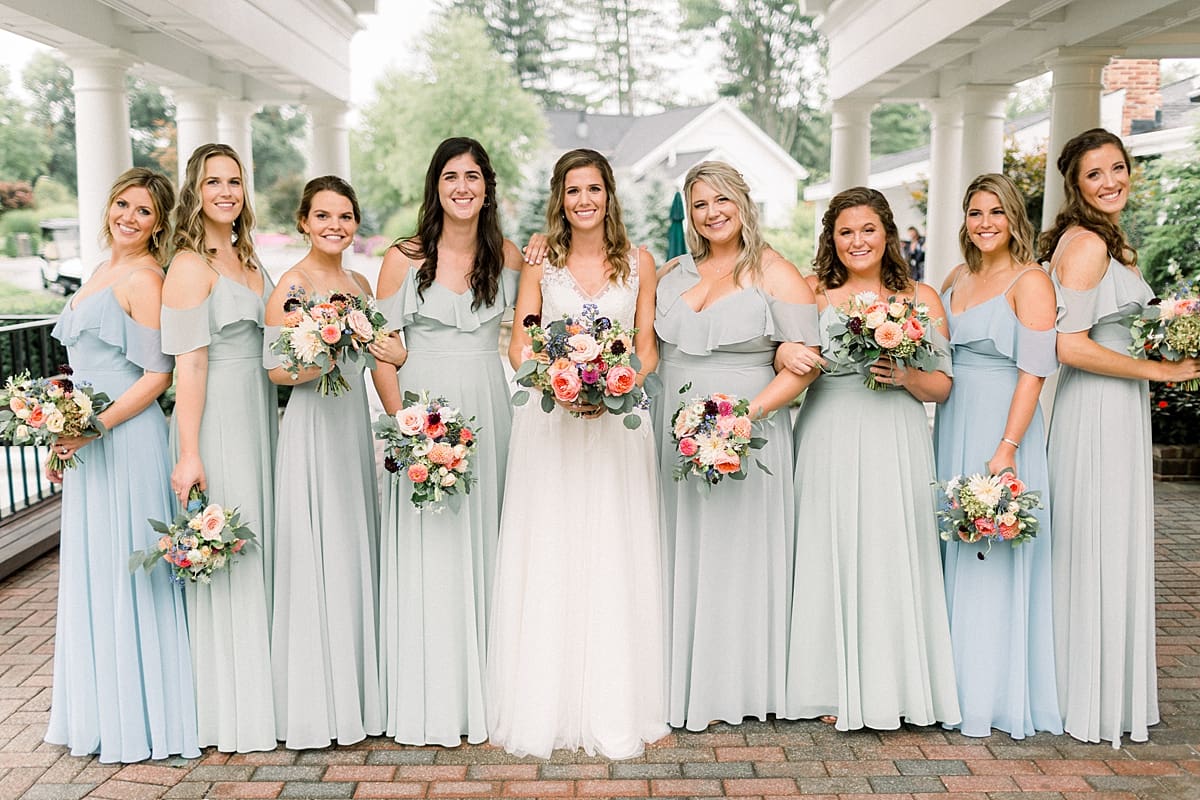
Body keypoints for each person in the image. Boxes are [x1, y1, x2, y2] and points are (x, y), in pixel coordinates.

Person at [487, 149, 668, 759]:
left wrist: (613, 384)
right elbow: (520, 344)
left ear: (609, 195)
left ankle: (614, 697)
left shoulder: (639, 262)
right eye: (572, 190)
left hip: (617, 425)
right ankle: (546, 696)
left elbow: (647, 349)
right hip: (554, 425)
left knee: (612, 547)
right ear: (559, 199)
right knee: (556, 547)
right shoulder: (543, 261)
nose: (584, 200)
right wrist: (561, 384)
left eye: (594, 189)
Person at [1040, 128, 1200, 746]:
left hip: (1118, 405)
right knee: (1097, 539)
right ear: (1076, 187)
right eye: (1094, 174)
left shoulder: (1108, 241)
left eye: (1117, 168)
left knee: (1107, 538)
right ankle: (1088, 693)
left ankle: (1104, 685)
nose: (1111, 182)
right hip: (1099, 410)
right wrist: (1160, 369)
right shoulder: (1084, 246)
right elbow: (1069, 345)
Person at [785, 186, 960, 731]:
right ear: (830, 240)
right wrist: (785, 352)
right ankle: (826, 682)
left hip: (896, 433)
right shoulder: (811, 295)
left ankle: (894, 683)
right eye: (845, 232)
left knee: (889, 547)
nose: (857, 241)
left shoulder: (922, 297)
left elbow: (943, 388)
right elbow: (787, 362)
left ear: (887, 234)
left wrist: (908, 376)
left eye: (867, 230)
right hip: (829, 430)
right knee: (827, 545)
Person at [653, 161, 819, 730]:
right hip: (672, 432)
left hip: (748, 433)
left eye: (721, 200)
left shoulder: (777, 273)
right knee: (681, 547)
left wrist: (743, 418)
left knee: (738, 553)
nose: (712, 213)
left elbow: (803, 363)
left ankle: (741, 683)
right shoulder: (673, 272)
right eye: (699, 205)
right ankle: (678, 677)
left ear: (743, 201)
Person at [45, 167, 199, 762]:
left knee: (128, 573)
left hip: (125, 439)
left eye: (143, 212)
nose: (128, 218)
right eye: (122, 205)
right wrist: (63, 432)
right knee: (94, 570)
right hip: (88, 443)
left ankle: (142, 716)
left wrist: (93, 427)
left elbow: (159, 376)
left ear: (158, 224)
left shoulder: (144, 277)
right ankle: (103, 708)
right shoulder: (101, 271)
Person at [373, 138, 523, 746]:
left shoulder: (509, 255)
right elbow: (383, 354)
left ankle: (491, 694)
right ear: (435, 186)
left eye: (474, 177)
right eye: (451, 177)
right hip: (423, 409)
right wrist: (407, 430)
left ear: (488, 187)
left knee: (489, 543)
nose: (463, 187)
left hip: (489, 403)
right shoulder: (403, 258)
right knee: (431, 547)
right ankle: (430, 694)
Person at [265, 176, 398, 749]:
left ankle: (359, 697)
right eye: (323, 216)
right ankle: (318, 707)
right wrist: (322, 354)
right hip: (314, 423)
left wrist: (403, 418)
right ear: (303, 221)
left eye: (345, 217)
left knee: (349, 547)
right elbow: (275, 371)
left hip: (351, 427)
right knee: (317, 552)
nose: (335, 227)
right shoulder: (291, 286)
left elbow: (380, 360)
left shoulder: (360, 281)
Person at [934, 173, 1061, 739]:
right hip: (953, 421)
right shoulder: (956, 277)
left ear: (1015, 220)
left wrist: (1007, 448)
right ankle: (944, 684)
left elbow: (1034, 371)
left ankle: (987, 694)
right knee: (952, 546)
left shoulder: (1031, 281)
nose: (985, 223)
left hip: (1001, 428)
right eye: (975, 212)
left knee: (992, 554)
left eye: (996, 213)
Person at [161, 143, 277, 753]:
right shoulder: (188, 265)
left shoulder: (247, 255)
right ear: (195, 191)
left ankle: (269, 692)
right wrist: (189, 452)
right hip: (219, 420)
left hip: (261, 414)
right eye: (214, 183)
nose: (226, 192)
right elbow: (190, 366)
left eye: (235, 181)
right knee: (232, 546)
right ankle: (234, 709)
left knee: (263, 546)